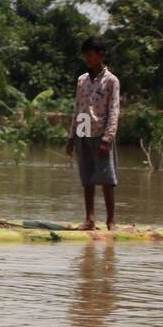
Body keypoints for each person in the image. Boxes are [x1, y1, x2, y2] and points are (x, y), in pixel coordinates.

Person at [65, 36, 120, 230]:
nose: (87, 58)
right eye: (85, 55)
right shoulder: (82, 80)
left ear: (100, 55)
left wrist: (108, 137)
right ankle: (89, 219)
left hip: (101, 130)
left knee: (106, 177)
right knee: (87, 176)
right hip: (84, 127)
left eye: (90, 54)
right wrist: (72, 137)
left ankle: (111, 220)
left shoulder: (111, 80)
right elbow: (78, 107)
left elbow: (114, 110)